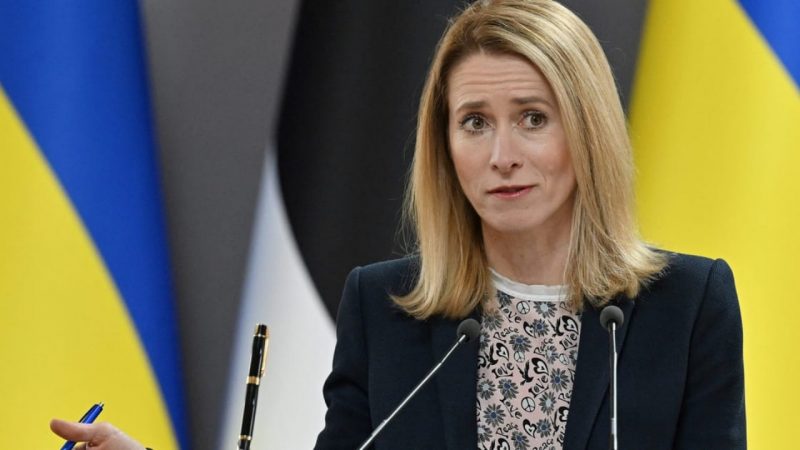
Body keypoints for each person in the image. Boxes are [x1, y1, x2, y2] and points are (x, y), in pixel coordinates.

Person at [51, 0, 745, 449]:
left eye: (533, 118)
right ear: (445, 146)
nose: (502, 156)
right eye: (474, 122)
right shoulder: (386, 309)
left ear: (588, 133)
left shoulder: (687, 306)